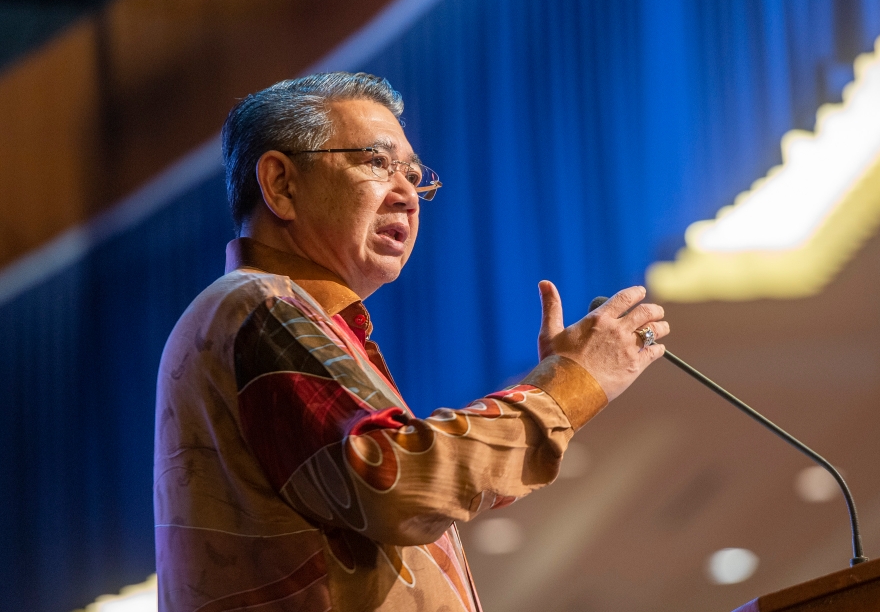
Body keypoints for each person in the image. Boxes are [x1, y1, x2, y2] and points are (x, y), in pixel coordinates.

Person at [154, 72, 669, 611]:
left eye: (415, 176)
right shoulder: (257, 303)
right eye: (377, 163)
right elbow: (395, 482)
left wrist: (561, 393)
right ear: (281, 184)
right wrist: (565, 389)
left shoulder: (283, 316)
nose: (407, 197)